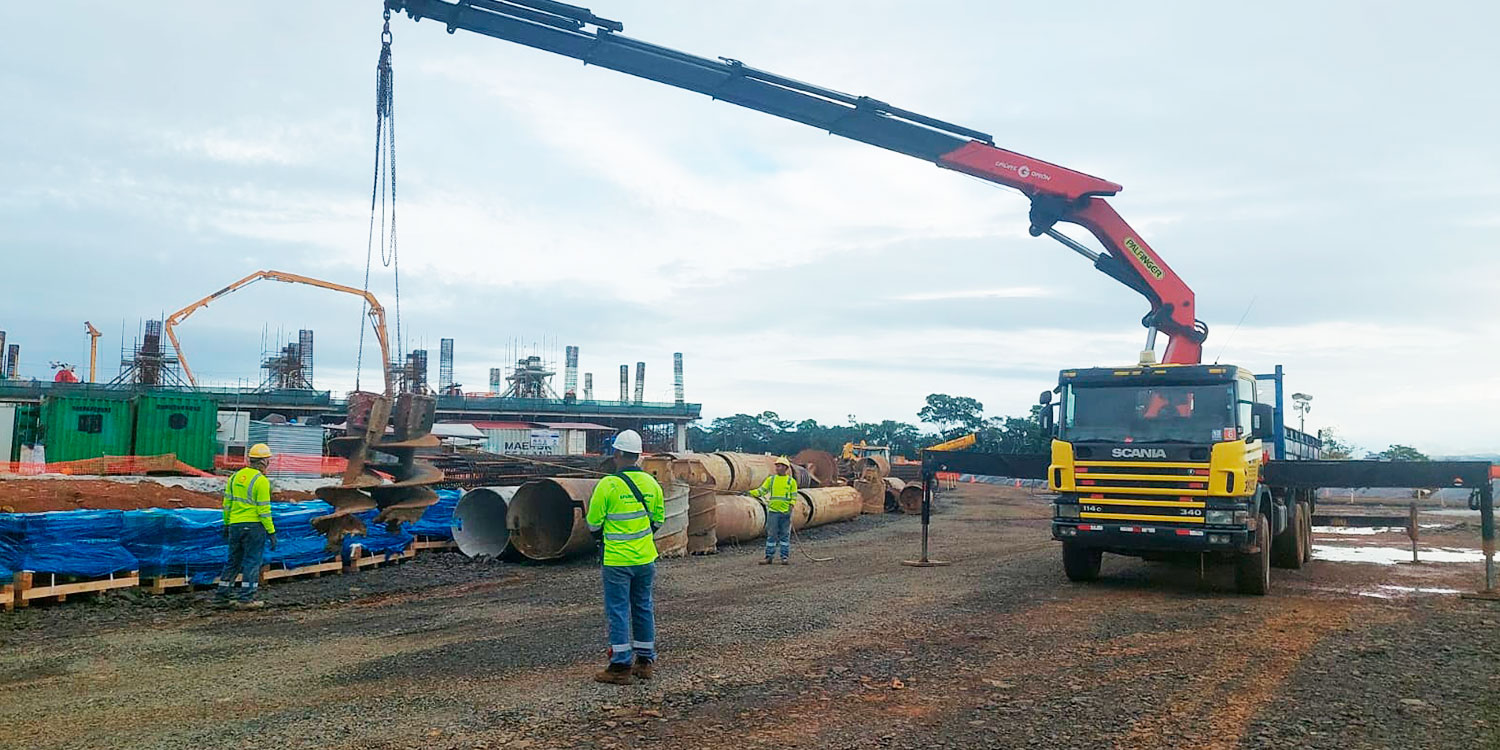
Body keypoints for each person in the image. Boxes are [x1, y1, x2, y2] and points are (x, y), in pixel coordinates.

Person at [586, 429, 665, 685]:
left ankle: (620, 666)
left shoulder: (607, 485)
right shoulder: (652, 484)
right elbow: (658, 520)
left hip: (617, 561)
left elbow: (593, 524)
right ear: (639, 455)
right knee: (643, 607)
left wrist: (608, 536)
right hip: (645, 559)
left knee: (618, 610)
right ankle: (644, 662)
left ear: (617, 453)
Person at [216, 443, 277, 609]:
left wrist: (226, 524)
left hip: (235, 525)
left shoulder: (234, 478)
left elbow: (227, 504)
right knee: (252, 561)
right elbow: (264, 510)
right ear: (264, 462)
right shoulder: (261, 481)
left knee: (233, 561)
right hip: (254, 526)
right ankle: (246, 598)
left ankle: (222, 596)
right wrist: (271, 532)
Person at [749, 456, 799, 565]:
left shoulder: (791, 482)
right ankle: (769, 557)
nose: (777, 468)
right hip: (773, 512)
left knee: (784, 535)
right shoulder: (771, 480)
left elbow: (794, 497)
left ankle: (784, 557)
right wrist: (749, 493)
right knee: (771, 535)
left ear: (785, 468)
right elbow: (761, 491)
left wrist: (790, 508)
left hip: (785, 512)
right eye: (776, 466)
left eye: (779, 466)